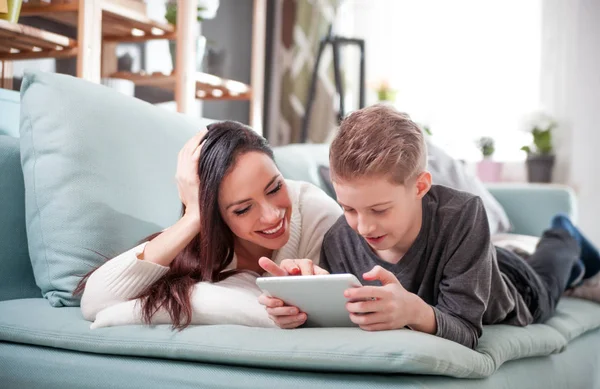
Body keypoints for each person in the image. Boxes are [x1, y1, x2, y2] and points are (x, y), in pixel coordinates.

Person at [260, 104, 600, 349]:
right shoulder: (339, 237)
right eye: (348, 208)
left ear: (420, 186)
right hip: (474, 261)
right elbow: (348, 319)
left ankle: (563, 232)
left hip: (516, 285)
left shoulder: (463, 214)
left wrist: (413, 310)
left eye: (380, 209)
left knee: (555, 262)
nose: (363, 226)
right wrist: (302, 311)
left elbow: (467, 330)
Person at [79, 121, 341, 329]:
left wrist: (136, 312)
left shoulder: (318, 213)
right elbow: (95, 302)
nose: (272, 216)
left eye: (275, 188)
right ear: (214, 214)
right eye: (243, 209)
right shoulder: (203, 232)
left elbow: (325, 316)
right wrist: (194, 217)